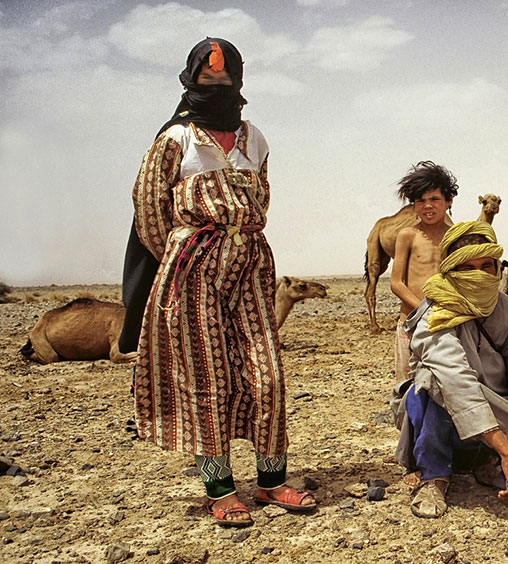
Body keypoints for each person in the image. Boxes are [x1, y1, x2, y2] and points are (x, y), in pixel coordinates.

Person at [126, 37, 314, 528]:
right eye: (207, 79)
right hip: (192, 269)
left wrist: (237, 242)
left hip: (250, 263)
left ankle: (272, 482)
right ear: (191, 81)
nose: (216, 85)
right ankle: (219, 489)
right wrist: (189, 250)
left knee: (267, 374)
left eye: (224, 79)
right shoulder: (175, 140)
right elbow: (149, 212)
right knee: (207, 378)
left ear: (239, 81)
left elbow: (263, 198)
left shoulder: (256, 139)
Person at [393, 221, 508, 518]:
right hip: (444, 404)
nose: (481, 275)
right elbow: (455, 382)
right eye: (468, 267)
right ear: (451, 270)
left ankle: (486, 463)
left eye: (487, 265)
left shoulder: (506, 309)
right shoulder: (433, 314)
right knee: (432, 381)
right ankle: (433, 475)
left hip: (491, 408)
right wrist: (507, 448)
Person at [389, 161, 457, 383]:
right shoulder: (407, 235)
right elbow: (396, 283)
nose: (428, 206)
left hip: (446, 323)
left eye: (435, 199)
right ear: (414, 204)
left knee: (447, 384)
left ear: (449, 200)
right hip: (410, 322)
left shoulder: (455, 236)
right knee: (408, 388)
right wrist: (423, 312)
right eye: (421, 201)